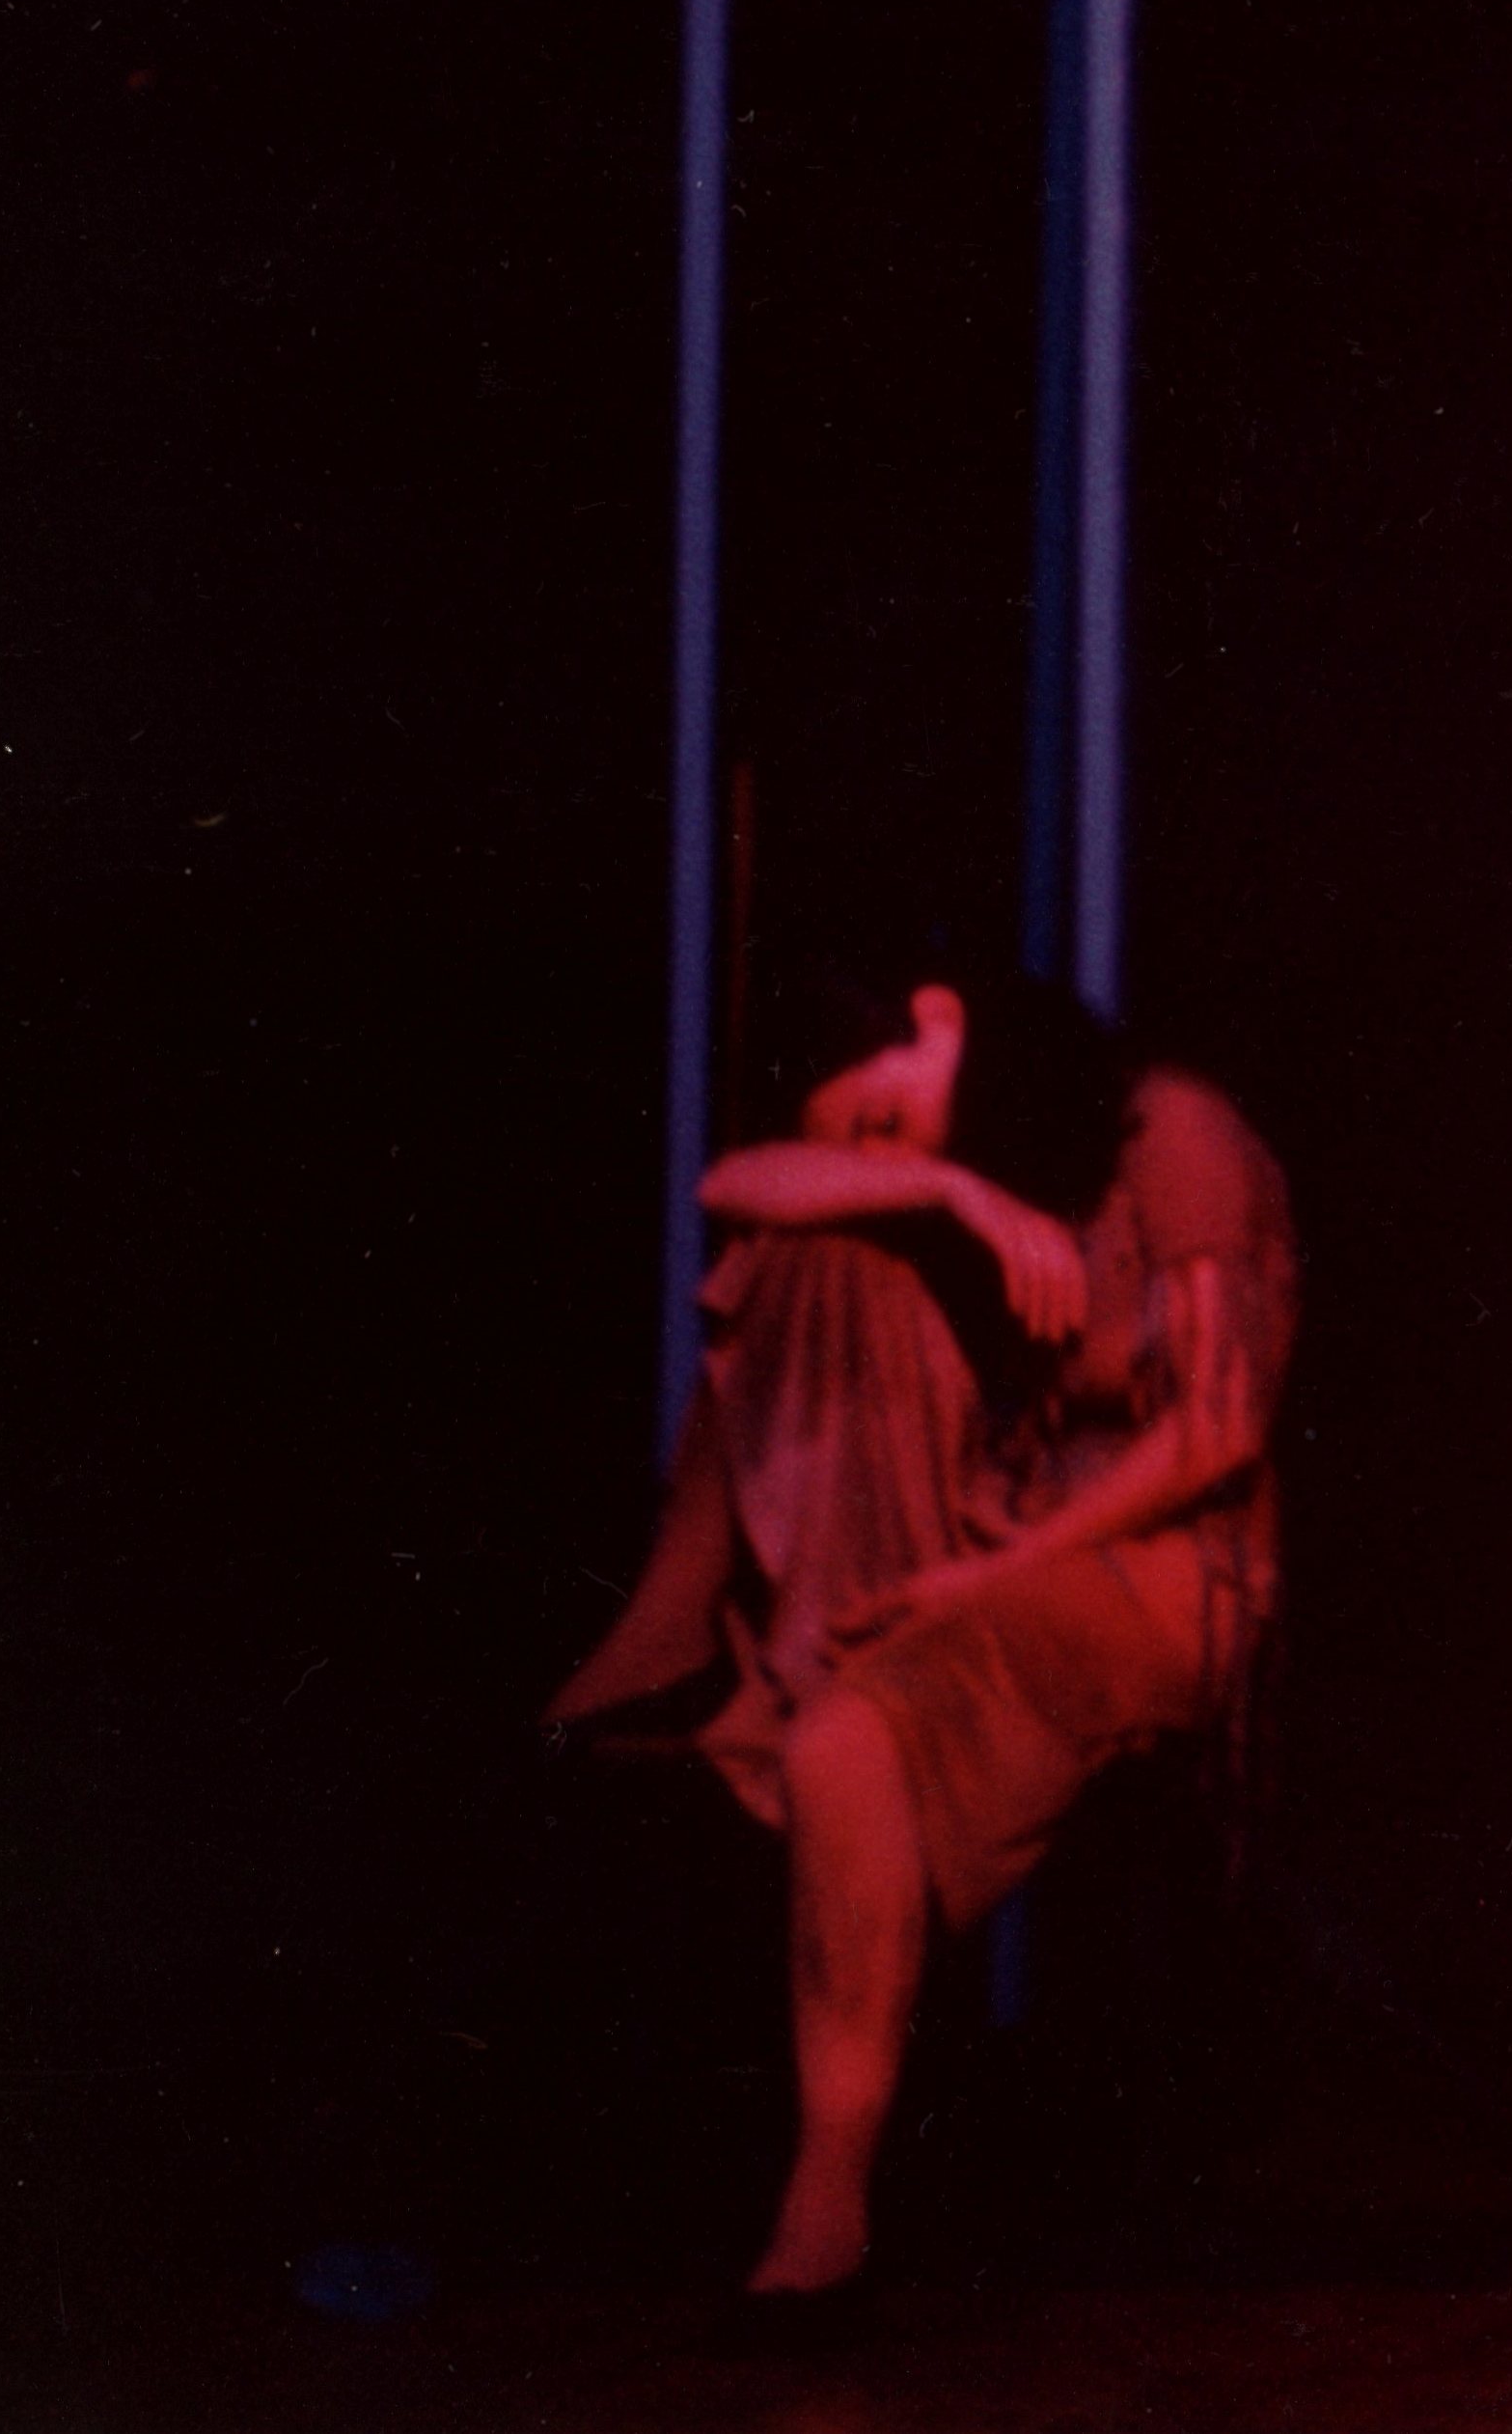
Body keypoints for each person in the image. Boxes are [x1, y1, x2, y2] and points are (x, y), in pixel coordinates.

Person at [548, 971, 1296, 2311]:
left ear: (942, 1022)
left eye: (886, 1118)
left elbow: (1218, 1431)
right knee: (805, 1255)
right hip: (990, 1545)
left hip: (1155, 1576)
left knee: (848, 1732)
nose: (891, 1148)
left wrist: (990, 1572)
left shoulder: (1164, 1126)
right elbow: (734, 1186)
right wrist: (944, 1189)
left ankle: (826, 2192)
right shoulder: (996, 1182)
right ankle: (830, 2191)